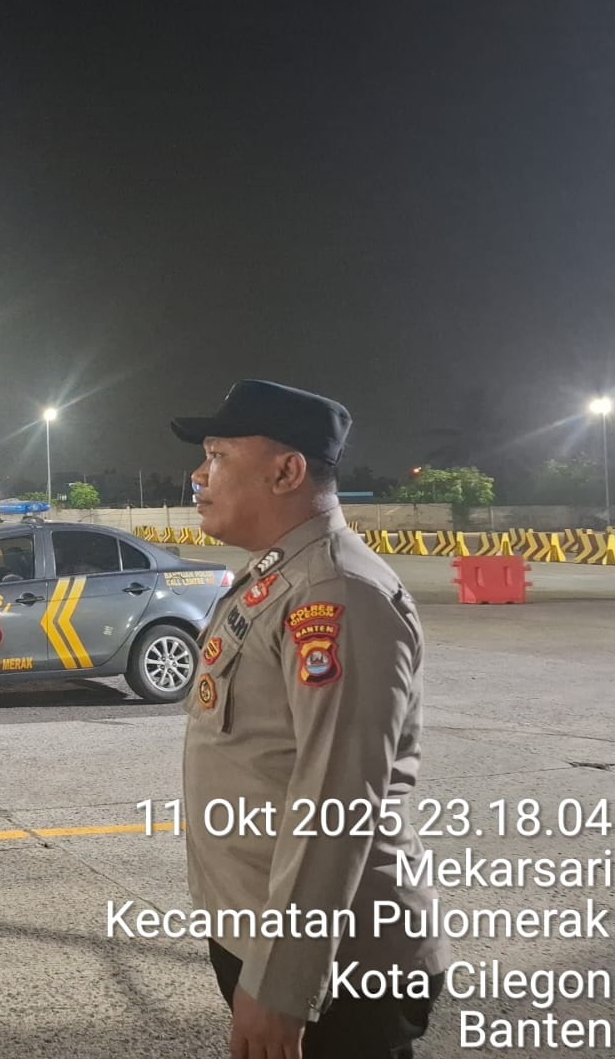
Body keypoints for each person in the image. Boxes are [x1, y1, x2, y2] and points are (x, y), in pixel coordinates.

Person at [172, 380, 448, 1059]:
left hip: (336, 967)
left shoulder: (336, 591)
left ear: (287, 471)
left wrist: (285, 984)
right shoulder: (279, 576)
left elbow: (336, 799)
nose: (198, 474)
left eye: (218, 455)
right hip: (264, 933)